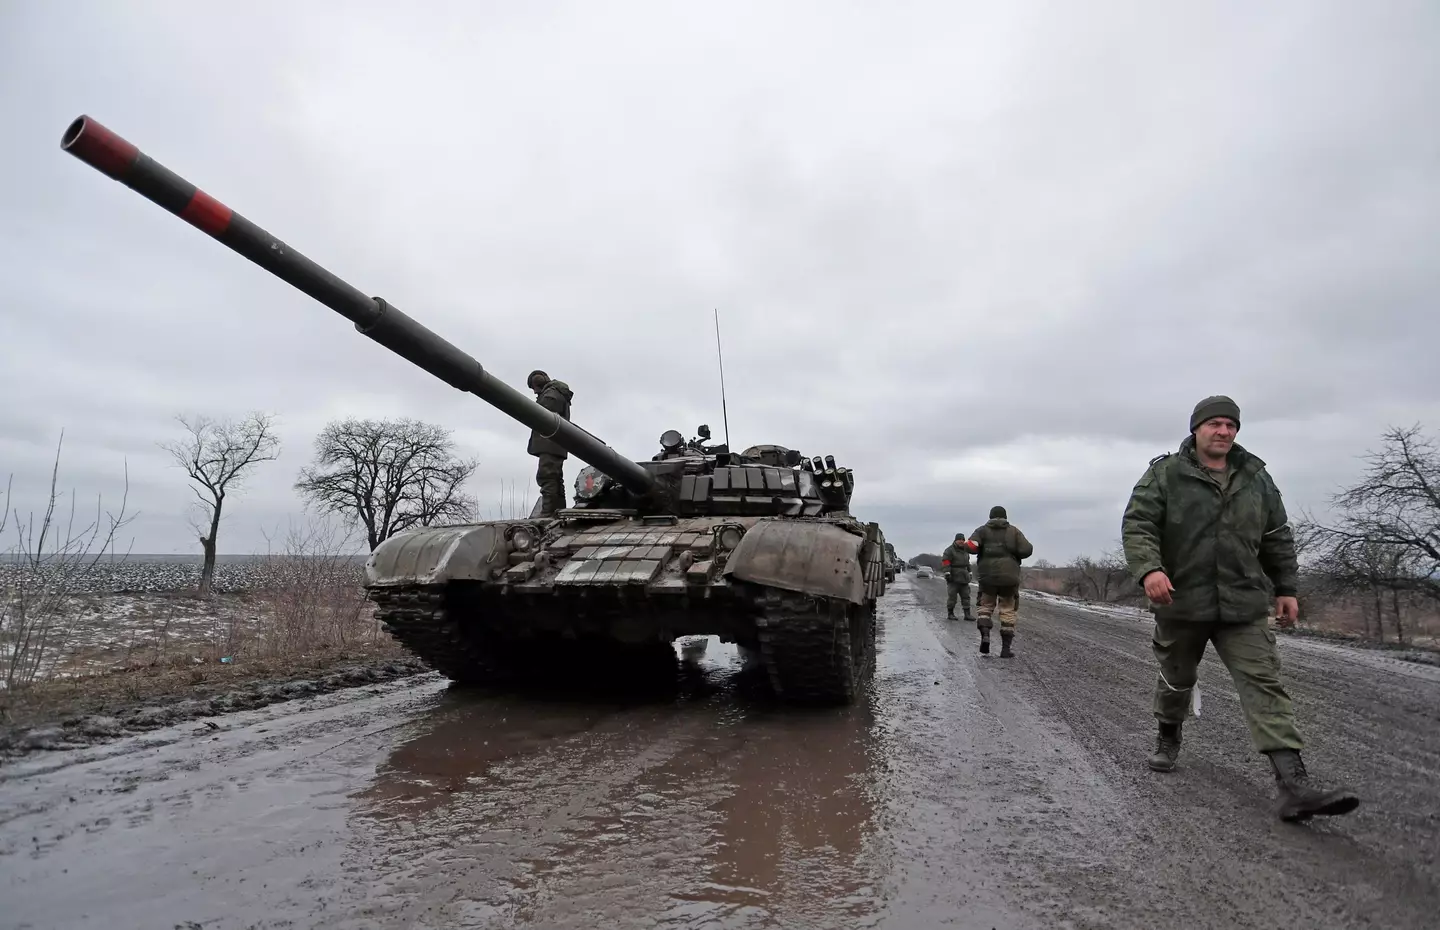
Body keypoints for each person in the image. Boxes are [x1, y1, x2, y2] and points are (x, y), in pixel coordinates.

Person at [1121, 395, 1360, 822]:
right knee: (1177, 680)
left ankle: (1293, 786)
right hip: (1182, 600)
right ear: (1196, 429)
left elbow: (1277, 535)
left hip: (1243, 603)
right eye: (1215, 424)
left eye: (1231, 426)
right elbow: (1138, 524)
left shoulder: (1256, 477)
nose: (1224, 432)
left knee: (1263, 684)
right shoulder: (1165, 474)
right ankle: (1168, 735)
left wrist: (1286, 587)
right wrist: (1149, 570)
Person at [968, 506, 1033, 656]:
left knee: (985, 607)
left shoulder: (982, 530)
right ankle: (1005, 649)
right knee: (1008, 610)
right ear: (1005, 516)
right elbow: (1027, 550)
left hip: (987, 578)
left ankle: (985, 635)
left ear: (990, 516)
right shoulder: (1014, 531)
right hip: (1009, 578)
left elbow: (971, 547)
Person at [526, 369, 574, 516]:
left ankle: (549, 511)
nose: (535, 393)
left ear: (537, 383)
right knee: (554, 477)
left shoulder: (551, 395)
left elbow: (542, 413)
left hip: (551, 442)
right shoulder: (554, 393)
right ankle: (557, 510)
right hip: (554, 443)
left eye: (534, 389)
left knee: (547, 476)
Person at [941, 532, 976, 622]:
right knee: (952, 596)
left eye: (963, 540)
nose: (961, 541)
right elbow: (946, 562)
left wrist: (970, 572)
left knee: (966, 596)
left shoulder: (965, 550)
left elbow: (967, 563)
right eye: (959, 539)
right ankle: (950, 613)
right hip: (953, 576)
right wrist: (947, 573)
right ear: (955, 540)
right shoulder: (949, 550)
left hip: (964, 577)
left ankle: (967, 614)